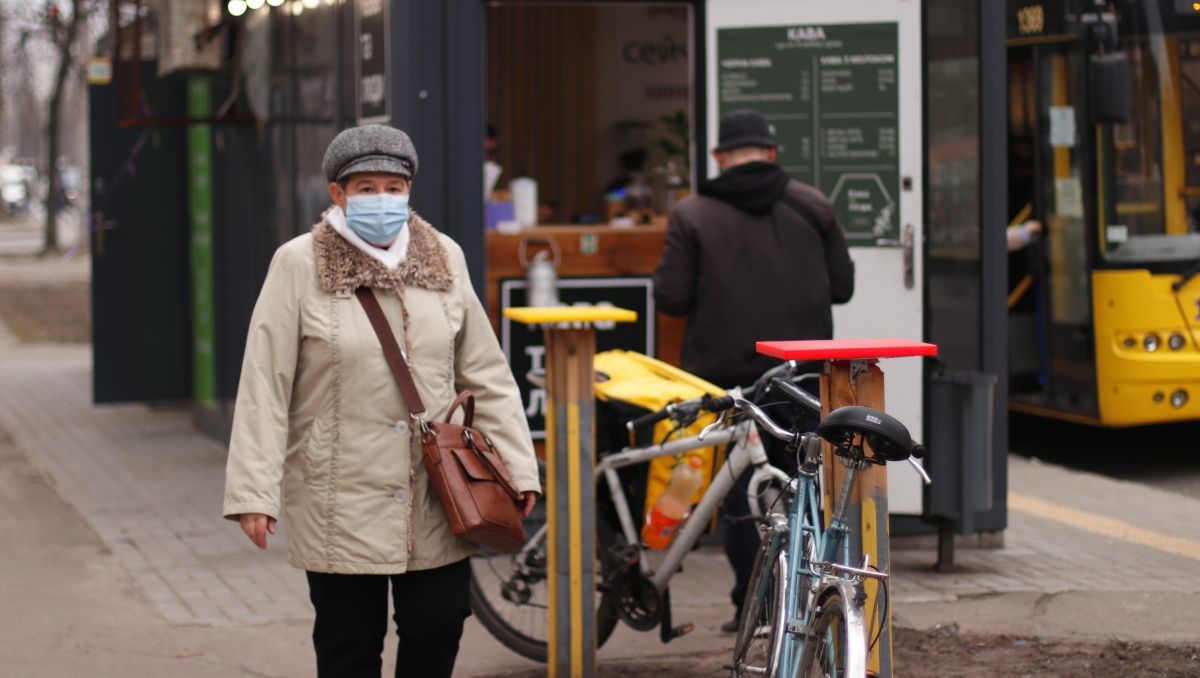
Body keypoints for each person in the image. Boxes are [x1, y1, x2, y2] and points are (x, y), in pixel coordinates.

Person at [222, 123, 541, 678]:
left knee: (440, 625)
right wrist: (254, 491)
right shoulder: (298, 264)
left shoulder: (445, 257)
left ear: (410, 190)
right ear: (337, 193)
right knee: (348, 645)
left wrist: (518, 470)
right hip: (336, 494)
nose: (381, 199)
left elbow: (486, 372)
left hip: (438, 492)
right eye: (365, 187)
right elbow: (264, 383)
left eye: (394, 187)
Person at [653, 108, 854, 632]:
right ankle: (808, 598)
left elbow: (671, 298)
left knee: (745, 493)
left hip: (732, 380)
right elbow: (843, 287)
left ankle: (753, 604)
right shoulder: (814, 205)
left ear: (720, 157)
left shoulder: (692, 214)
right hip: (806, 376)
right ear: (771, 153)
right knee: (806, 486)